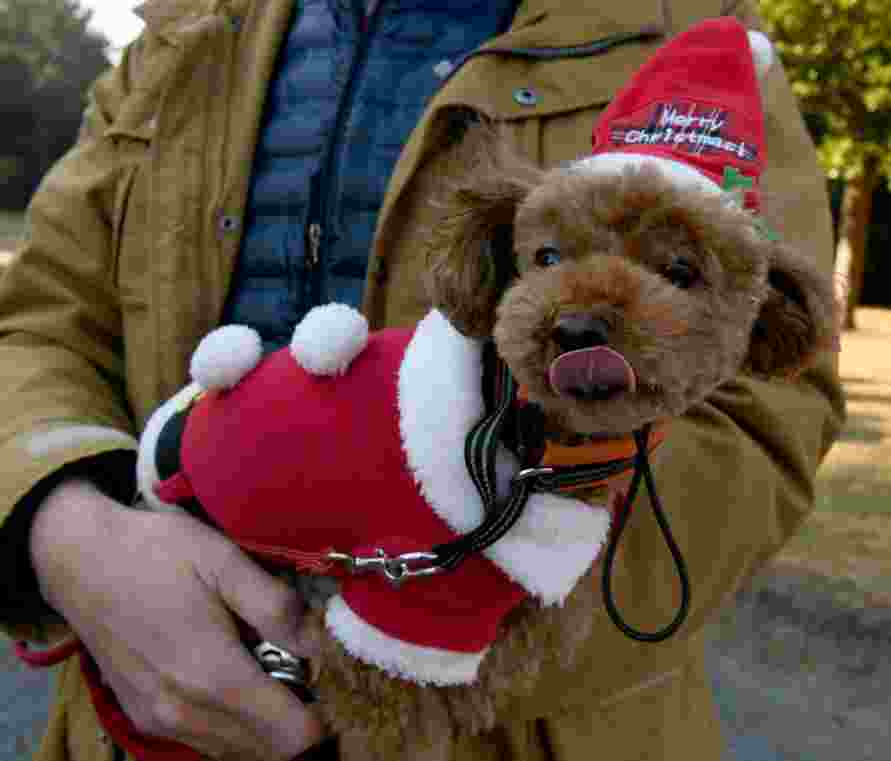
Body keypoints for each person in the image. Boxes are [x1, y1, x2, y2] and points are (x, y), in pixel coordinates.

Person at [0, 1, 844, 760]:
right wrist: (65, 526)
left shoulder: (683, 23)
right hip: (143, 728)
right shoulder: (184, 27)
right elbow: (39, 318)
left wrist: (428, 653)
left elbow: (762, 409)